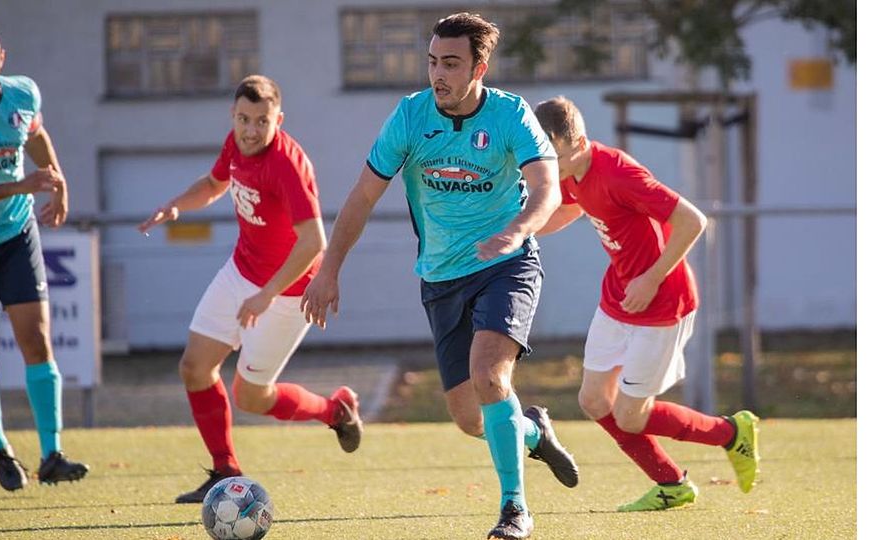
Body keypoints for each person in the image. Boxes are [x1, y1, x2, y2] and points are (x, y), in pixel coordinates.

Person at [301, 13, 578, 540]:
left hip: (507, 264)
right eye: (432, 62)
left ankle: (514, 511)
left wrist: (517, 232)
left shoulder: (510, 114)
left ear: (480, 67)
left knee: (490, 376)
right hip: (441, 277)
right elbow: (362, 196)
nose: (438, 74)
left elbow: (548, 190)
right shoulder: (409, 117)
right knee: (470, 418)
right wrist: (328, 269)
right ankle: (531, 432)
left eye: (451, 64)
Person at [138, 75, 363, 504]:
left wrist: (266, 294)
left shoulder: (286, 164)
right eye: (244, 119)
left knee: (251, 397)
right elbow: (213, 183)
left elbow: (314, 241)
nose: (251, 130)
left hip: (289, 291)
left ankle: (334, 410)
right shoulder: (235, 143)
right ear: (233, 116)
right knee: (194, 367)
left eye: (262, 121)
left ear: (279, 119)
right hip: (241, 272)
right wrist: (175, 205)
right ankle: (224, 471)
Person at [532, 95, 760, 511]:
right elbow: (567, 210)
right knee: (594, 401)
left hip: (661, 302)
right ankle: (672, 485)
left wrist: (651, 280)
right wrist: (516, 231)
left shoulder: (619, 174)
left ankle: (731, 433)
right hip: (618, 297)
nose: (547, 167)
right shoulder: (568, 171)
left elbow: (693, 220)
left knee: (630, 416)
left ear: (579, 143)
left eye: (554, 157)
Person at [0, 23, 90, 491]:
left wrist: (59, 179)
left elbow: (36, 137)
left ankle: (52, 454)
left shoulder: (23, 93)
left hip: (14, 233)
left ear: (1, 57)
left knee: (37, 337)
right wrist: (21, 185)